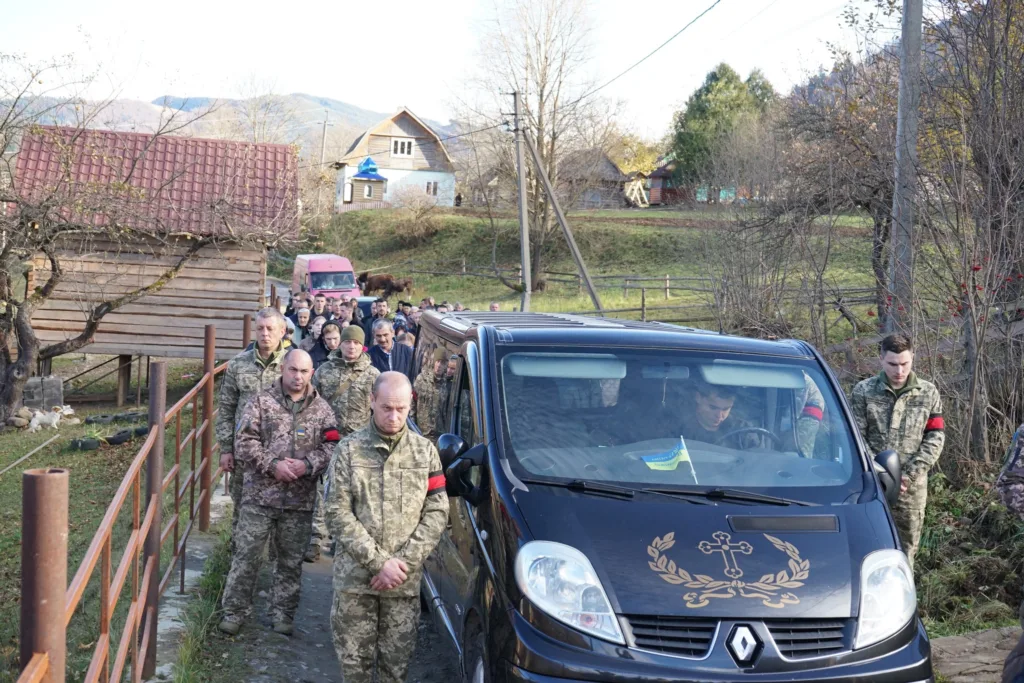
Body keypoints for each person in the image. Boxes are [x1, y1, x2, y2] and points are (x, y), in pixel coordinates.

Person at [325, 372, 449, 683]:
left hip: (401, 587)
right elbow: (336, 512)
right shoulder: (349, 451)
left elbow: (437, 511)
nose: (394, 417)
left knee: (395, 672)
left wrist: (401, 563)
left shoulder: (425, 452)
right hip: (355, 584)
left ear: (411, 406)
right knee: (355, 671)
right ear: (372, 401)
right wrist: (380, 563)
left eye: (401, 409)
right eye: (386, 408)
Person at [218, 349, 338, 636]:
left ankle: (282, 614)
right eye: (293, 370)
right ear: (283, 369)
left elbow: (333, 446)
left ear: (312, 373)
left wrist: (308, 464)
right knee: (246, 556)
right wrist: (272, 465)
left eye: (304, 372)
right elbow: (244, 441)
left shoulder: (323, 410)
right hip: (259, 497)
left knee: (290, 561)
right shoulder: (261, 402)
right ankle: (234, 612)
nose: (298, 377)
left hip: (299, 499)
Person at [851, 334, 944, 567]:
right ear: (881, 359)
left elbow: (935, 435)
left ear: (913, 358)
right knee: (868, 548)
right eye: (893, 364)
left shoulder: (928, 392)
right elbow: (856, 437)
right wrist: (879, 471)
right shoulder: (863, 391)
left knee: (905, 550)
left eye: (905, 364)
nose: (899, 371)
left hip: (910, 488)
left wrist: (910, 474)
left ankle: (903, 599)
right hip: (871, 483)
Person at [216, 308, 289, 544]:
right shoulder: (238, 365)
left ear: (282, 331)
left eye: (270, 329)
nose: (265, 334)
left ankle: (275, 561)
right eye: (260, 328)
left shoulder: (293, 366)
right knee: (242, 507)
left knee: (282, 511)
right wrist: (226, 448)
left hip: (281, 453)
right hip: (245, 453)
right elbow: (226, 408)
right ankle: (238, 558)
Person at [308, 325, 380, 561]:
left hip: (358, 445)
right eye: (348, 342)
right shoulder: (324, 371)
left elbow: (378, 411)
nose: (351, 347)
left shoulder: (373, 375)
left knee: (353, 492)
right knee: (322, 489)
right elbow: (311, 405)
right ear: (340, 344)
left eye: (356, 343)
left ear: (362, 346)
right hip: (327, 441)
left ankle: (343, 540)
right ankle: (316, 539)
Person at [412, 348, 448, 441]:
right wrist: (412, 426)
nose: (439, 365)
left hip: (439, 435)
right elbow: (412, 403)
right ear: (433, 362)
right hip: (420, 432)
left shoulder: (448, 385)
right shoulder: (422, 379)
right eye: (438, 361)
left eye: (443, 363)